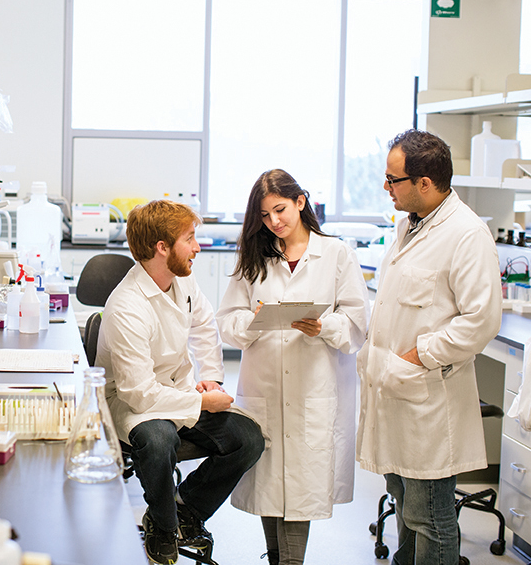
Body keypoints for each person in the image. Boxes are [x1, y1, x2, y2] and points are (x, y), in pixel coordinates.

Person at [357, 129, 502, 565]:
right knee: (403, 504)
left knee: (431, 517)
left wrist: (419, 356)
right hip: (396, 391)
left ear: (424, 182)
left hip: (428, 399)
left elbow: (481, 321)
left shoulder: (466, 234)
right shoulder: (407, 227)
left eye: (392, 179)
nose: (386, 188)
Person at [95, 199, 265, 565]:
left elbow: (206, 329)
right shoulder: (127, 305)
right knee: (159, 439)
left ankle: (186, 508)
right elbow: (138, 394)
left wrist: (211, 380)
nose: (198, 247)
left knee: (248, 438)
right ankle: (162, 524)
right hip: (132, 405)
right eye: (190, 238)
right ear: (162, 247)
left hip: (179, 393)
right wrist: (202, 404)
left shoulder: (182, 283)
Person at [214, 169, 370, 565]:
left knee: (301, 483)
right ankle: (277, 559)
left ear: (301, 202)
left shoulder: (335, 254)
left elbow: (356, 323)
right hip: (264, 384)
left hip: (313, 386)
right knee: (269, 480)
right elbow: (227, 321)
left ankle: (290, 562)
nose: (274, 222)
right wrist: (253, 321)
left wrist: (323, 326)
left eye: (280, 210)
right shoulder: (255, 257)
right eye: (265, 216)